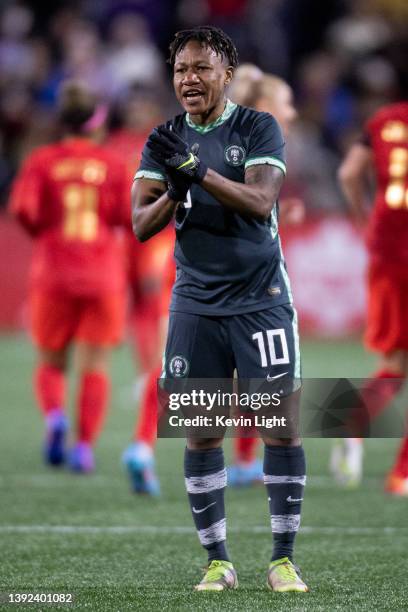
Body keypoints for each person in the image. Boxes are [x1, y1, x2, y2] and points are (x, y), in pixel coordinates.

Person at [132, 26, 308, 593]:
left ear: (226, 74)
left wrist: (198, 171)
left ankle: (282, 560)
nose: (190, 79)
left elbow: (260, 203)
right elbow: (140, 225)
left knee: (279, 428)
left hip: (261, 303)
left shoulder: (258, 126)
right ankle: (217, 562)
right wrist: (177, 188)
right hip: (196, 306)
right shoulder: (163, 138)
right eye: (182, 69)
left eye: (202, 68)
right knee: (202, 434)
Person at [9, 81, 130, 473]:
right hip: (102, 274)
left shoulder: (41, 161)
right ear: (97, 123)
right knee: (95, 366)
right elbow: (127, 218)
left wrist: (47, 233)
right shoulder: (111, 164)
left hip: (53, 272)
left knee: (51, 361)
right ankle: (84, 447)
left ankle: (55, 416)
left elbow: (23, 211)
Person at [227, 64, 304, 486]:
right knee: (270, 373)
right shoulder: (252, 141)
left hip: (221, 275)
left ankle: (241, 458)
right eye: (285, 103)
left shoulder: (233, 141)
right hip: (249, 280)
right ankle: (249, 459)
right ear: (262, 106)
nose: (291, 113)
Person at [335, 100, 408, 495]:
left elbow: (348, 174)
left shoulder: (383, 119)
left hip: (388, 250)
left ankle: (351, 423)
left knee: (395, 360)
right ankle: (402, 474)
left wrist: (366, 221)